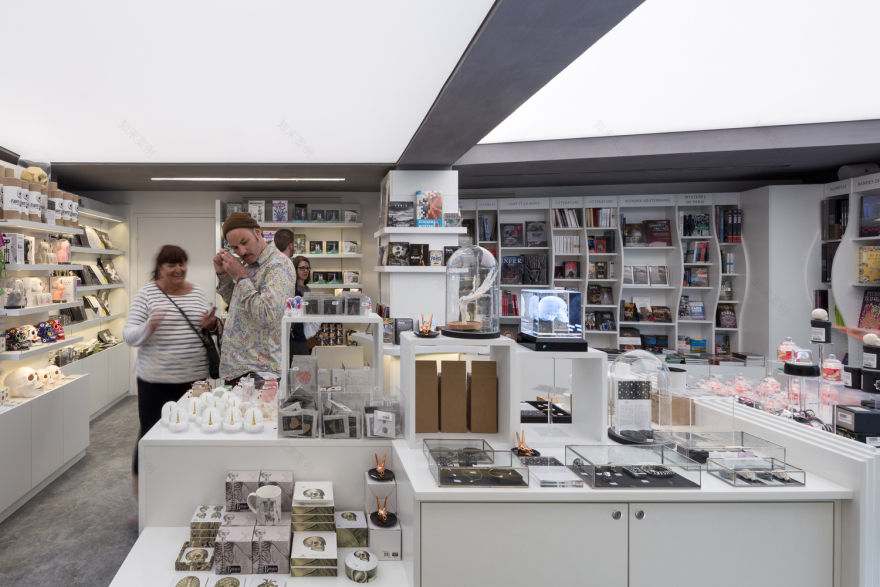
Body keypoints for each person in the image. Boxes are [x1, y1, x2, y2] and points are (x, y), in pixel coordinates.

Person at [123, 245, 220, 500]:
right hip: (156, 381)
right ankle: (142, 500)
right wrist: (149, 326)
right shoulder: (146, 295)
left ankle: (187, 495)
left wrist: (212, 324)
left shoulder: (198, 292)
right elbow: (129, 336)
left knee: (196, 435)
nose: (178, 270)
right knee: (150, 437)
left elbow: (207, 326)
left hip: (195, 382)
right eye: (171, 265)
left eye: (182, 264)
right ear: (160, 269)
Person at [215, 212, 297, 385]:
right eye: (235, 247)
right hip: (238, 370)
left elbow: (268, 316)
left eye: (244, 242)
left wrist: (241, 277)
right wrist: (223, 275)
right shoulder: (248, 265)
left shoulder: (279, 265)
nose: (241, 251)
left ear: (257, 232)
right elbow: (236, 303)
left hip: (260, 374)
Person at [290, 254, 318, 356]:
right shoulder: (292, 288)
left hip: (308, 334)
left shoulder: (307, 288)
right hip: (296, 336)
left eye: (307, 268)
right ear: (295, 269)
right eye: (302, 268)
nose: (305, 271)